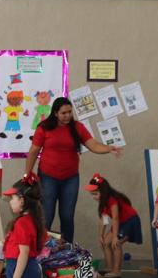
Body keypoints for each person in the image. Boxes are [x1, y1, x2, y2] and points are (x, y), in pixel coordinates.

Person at [24, 97, 121, 244]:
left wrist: (108, 148)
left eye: (69, 112)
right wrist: (27, 174)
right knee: (47, 216)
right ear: (55, 113)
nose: (67, 115)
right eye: (63, 113)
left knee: (67, 217)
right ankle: (41, 249)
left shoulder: (77, 127)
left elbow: (93, 145)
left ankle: (68, 250)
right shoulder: (44, 127)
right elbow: (33, 151)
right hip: (48, 177)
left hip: (70, 179)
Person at [85, 172, 142, 278]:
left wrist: (115, 237)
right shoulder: (103, 202)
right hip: (120, 223)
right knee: (106, 242)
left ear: (103, 192)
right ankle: (109, 267)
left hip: (129, 222)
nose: (94, 197)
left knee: (116, 244)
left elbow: (115, 218)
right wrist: (100, 235)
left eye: (95, 194)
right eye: (92, 194)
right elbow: (103, 220)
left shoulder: (112, 200)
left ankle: (116, 271)